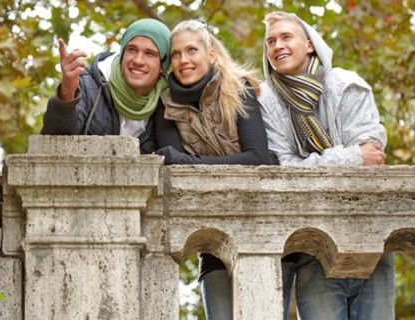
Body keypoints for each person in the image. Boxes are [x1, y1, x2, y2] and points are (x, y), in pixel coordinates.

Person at [258, 11, 392, 319]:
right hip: (312, 245)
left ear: (309, 45)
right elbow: (283, 170)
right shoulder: (267, 102)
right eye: (270, 41)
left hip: (369, 236)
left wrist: (313, 163)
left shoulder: (347, 85)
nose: (277, 45)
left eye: (286, 37)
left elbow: (373, 157)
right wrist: (350, 156)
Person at [152, 19, 277, 320]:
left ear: (210, 54)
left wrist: (192, 163)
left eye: (192, 50)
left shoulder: (238, 89)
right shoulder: (165, 104)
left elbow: (257, 157)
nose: (184, 60)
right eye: (177, 54)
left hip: (263, 228)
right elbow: (175, 169)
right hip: (212, 241)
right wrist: (187, 165)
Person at [41, 18, 171, 154]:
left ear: (163, 65)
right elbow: (54, 139)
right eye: (132, 50)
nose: (138, 60)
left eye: (150, 54)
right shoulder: (85, 85)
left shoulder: (166, 103)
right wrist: (67, 93)